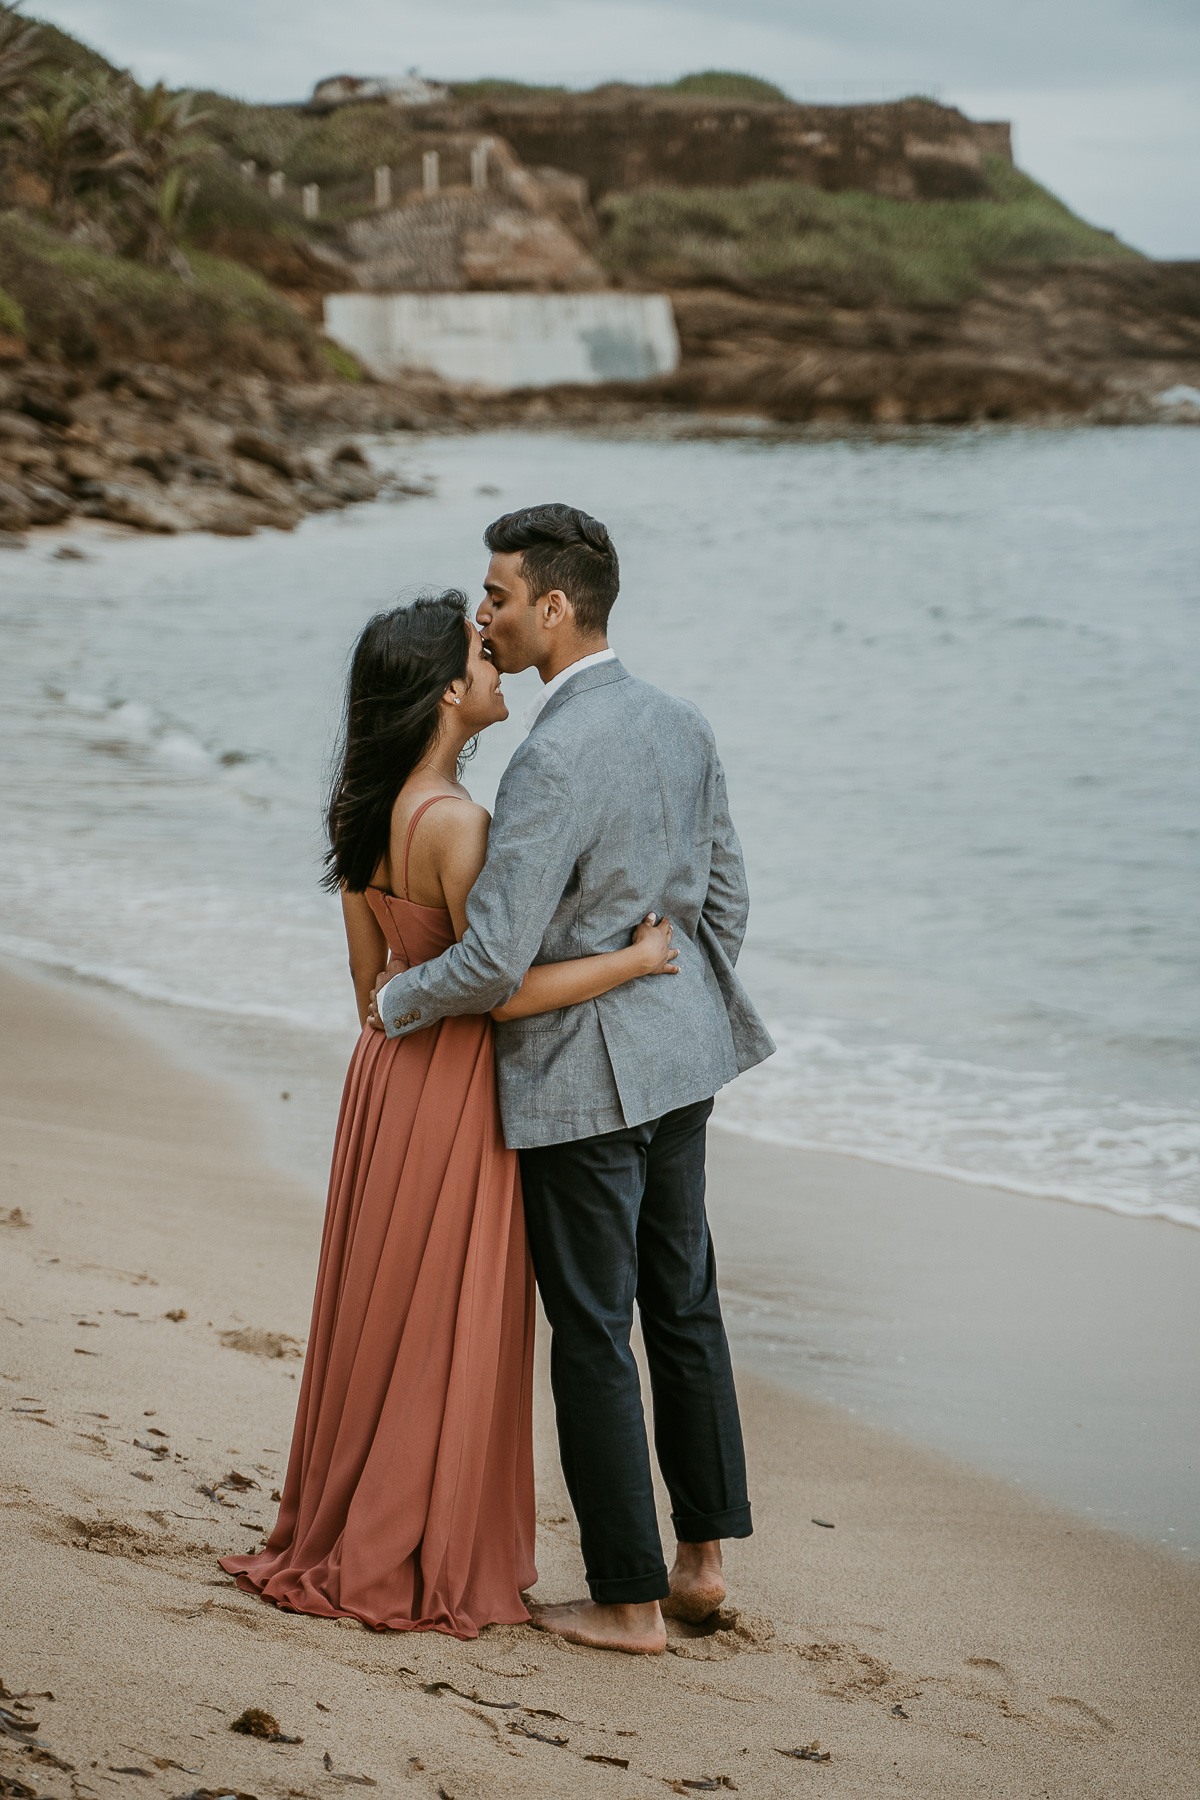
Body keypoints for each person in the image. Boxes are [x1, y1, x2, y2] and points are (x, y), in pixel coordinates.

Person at [220, 590, 679, 1639]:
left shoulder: (367, 813)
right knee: (445, 1316)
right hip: (460, 1088)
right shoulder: (461, 823)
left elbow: (371, 992)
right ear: (444, 692)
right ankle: (417, 1541)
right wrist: (636, 958)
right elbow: (501, 988)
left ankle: (353, 1518)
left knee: (385, 1309)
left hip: (385, 1084)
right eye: (482, 654)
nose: (498, 666)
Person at [369, 504, 774, 1655]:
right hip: (683, 1056)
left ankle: (631, 1603)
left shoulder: (551, 755)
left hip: (582, 1084)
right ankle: (702, 1563)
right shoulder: (682, 721)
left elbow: (495, 959)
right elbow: (727, 903)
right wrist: (676, 1000)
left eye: (496, 595)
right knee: (684, 1302)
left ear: (555, 606)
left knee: (594, 1329)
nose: (484, 615)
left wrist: (398, 1000)